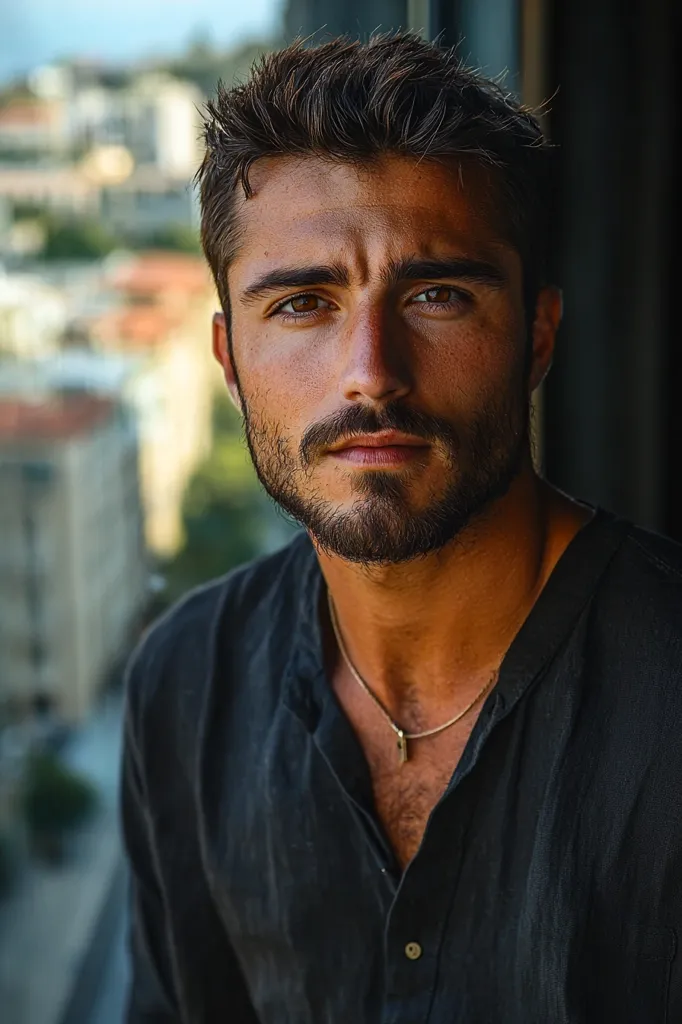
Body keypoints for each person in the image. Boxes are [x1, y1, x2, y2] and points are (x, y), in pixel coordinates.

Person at [121, 33, 682, 1024]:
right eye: (303, 304)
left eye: (436, 295)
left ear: (537, 336)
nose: (371, 373)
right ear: (230, 359)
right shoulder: (186, 685)